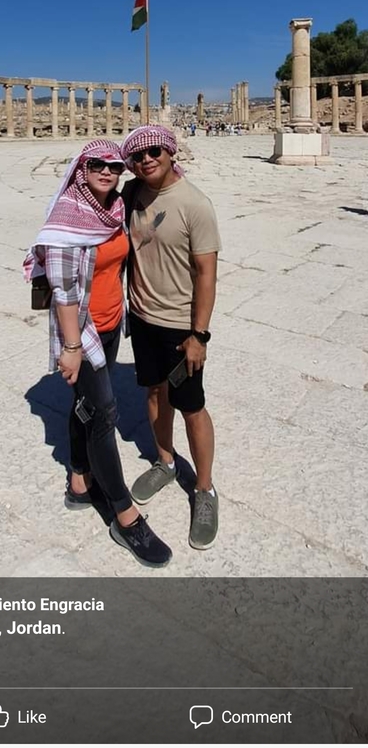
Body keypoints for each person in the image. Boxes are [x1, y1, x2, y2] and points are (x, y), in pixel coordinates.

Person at [24, 139, 172, 569]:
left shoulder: (113, 209)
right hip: (82, 334)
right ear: (80, 168)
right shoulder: (68, 219)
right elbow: (66, 295)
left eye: (114, 164)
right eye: (97, 164)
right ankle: (125, 516)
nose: (108, 171)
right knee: (104, 414)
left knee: (86, 406)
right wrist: (70, 349)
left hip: (110, 325)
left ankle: (78, 481)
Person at [120, 125, 222, 551]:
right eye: (138, 155)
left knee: (191, 406)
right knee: (154, 394)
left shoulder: (195, 204)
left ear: (170, 151)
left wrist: (199, 335)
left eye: (155, 152)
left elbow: (206, 274)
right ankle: (164, 460)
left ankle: (204, 489)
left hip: (181, 329)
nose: (147, 160)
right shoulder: (131, 193)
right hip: (142, 319)